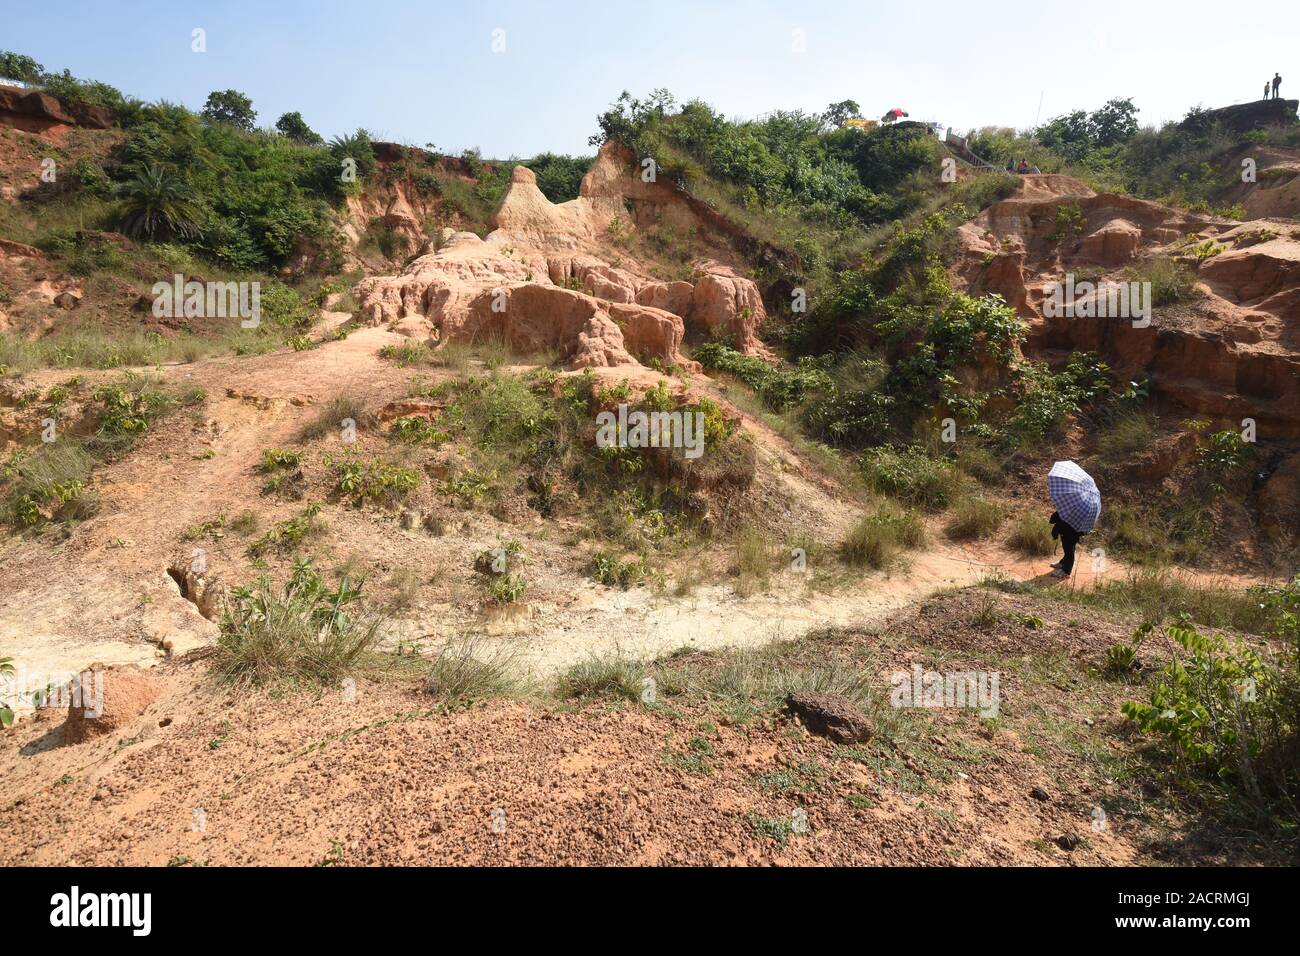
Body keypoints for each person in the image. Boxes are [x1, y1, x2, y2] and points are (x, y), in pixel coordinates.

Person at [1048, 511, 1081, 579]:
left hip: (1070, 534)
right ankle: (1062, 563)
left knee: (1069, 552)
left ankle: (1066, 572)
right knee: (1069, 551)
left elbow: (1052, 519)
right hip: (1069, 533)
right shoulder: (1071, 508)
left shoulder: (1068, 508)